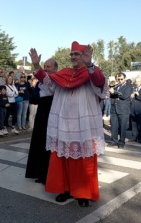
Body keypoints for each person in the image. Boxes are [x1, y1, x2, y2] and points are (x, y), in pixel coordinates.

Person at [29, 41, 106, 207]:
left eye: (77, 54)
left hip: (83, 124)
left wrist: (90, 64)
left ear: (85, 56)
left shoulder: (92, 72)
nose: (73, 57)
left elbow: (100, 83)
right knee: (62, 158)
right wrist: (36, 66)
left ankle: (83, 194)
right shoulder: (64, 73)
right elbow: (48, 83)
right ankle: (65, 190)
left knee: (83, 161)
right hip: (63, 123)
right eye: (72, 54)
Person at [25, 58, 58, 184]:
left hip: (52, 111)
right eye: (45, 66)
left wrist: (36, 65)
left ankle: (48, 174)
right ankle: (39, 172)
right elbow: (35, 96)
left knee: (49, 143)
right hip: (42, 111)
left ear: (55, 68)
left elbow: (50, 87)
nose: (46, 68)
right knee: (39, 141)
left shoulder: (56, 80)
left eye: (48, 66)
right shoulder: (40, 82)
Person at [108, 72, 132, 148]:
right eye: (118, 79)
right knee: (114, 126)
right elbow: (112, 96)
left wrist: (114, 92)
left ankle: (121, 142)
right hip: (114, 108)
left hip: (123, 109)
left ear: (124, 78)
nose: (120, 80)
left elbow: (124, 96)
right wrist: (112, 92)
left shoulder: (129, 86)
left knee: (122, 126)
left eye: (121, 79)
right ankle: (113, 140)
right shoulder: (116, 86)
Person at [130, 78, 141, 143]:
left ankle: (140, 138)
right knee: (133, 123)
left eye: (138, 81)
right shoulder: (133, 89)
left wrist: (138, 95)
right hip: (133, 108)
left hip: (140, 109)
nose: (137, 82)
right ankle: (134, 137)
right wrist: (131, 96)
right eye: (136, 81)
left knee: (140, 124)